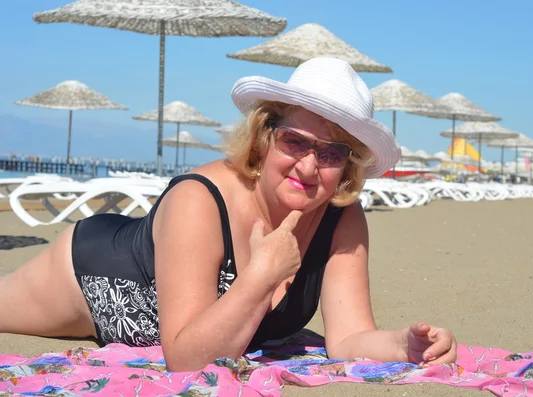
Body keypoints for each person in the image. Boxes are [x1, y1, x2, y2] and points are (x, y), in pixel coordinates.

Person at [0, 57, 457, 372]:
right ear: (265, 134)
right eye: (295, 141)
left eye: (332, 153)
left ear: (349, 165)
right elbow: (185, 359)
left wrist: (404, 346)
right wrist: (261, 278)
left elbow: (350, 337)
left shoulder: (342, 218)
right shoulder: (199, 198)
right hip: (90, 277)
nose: (308, 165)